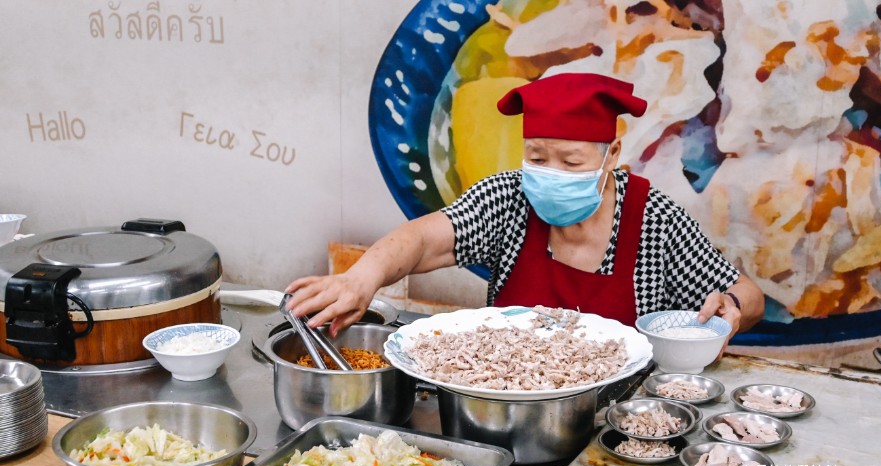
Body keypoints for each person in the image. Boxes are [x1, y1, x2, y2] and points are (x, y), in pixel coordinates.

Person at [286, 73, 763, 348]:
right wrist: (361, 278)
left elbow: (745, 293)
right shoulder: (509, 200)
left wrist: (732, 310)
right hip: (507, 402)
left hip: (616, 421)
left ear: (611, 155)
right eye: (536, 157)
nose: (549, 172)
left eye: (571, 161)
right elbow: (424, 239)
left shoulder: (655, 220)